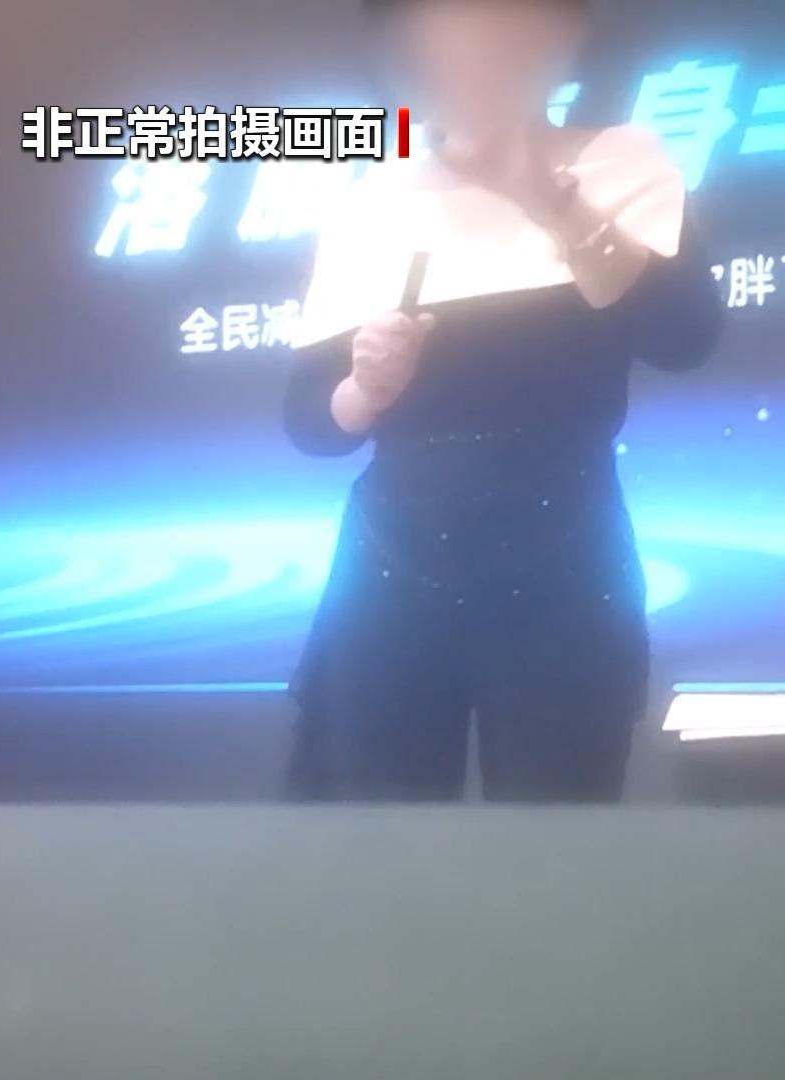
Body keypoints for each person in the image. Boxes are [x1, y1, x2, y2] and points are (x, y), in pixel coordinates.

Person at [282, 0, 724, 801]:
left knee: (559, 833)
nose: (473, 55)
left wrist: (553, 202)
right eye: (446, 33)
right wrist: (364, 388)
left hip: (568, 557)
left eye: (502, 31)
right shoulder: (373, 196)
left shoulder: (623, 164)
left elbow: (684, 334)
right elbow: (310, 419)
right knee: (376, 837)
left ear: (558, 38)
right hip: (391, 560)